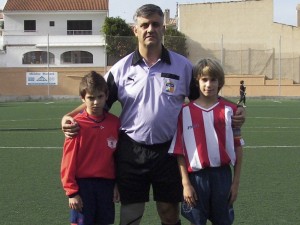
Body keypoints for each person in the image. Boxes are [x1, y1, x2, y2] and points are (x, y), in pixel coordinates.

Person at [61, 4, 246, 225]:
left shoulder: (183, 66)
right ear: (135, 30)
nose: (150, 29)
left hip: (169, 151)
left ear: (163, 28)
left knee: (169, 212)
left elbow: (207, 99)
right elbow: (97, 100)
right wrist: (68, 115)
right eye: (145, 25)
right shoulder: (120, 69)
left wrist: (235, 109)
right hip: (131, 149)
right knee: (131, 213)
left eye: (156, 24)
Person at [169, 58, 244, 225]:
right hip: (196, 178)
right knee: (197, 221)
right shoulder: (184, 112)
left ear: (220, 82)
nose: (208, 84)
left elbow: (238, 147)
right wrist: (185, 183)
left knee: (223, 221)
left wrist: (235, 183)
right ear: (197, 81)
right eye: (204, 79)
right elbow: (179, 151)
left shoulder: (230, 111)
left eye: (213, 80)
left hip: (222, 176)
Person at [61, 71, 120, 225]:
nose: (95, 102)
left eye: (100, 97)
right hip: (83, 186)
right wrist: (72, 192)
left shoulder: (114, 123)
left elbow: (117, 158)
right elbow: (68, 162)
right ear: (83, 98)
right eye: (91, 98)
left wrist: (116, 184)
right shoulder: (75, 125)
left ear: (107, 96)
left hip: (106, 186)